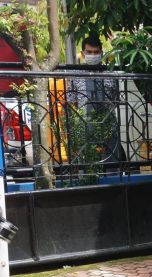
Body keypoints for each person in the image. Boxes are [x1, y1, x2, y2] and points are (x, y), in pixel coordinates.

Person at [66, 36, 123, 174]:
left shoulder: (110, 73)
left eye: (96, 52)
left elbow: (116, 97)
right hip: (85, 125)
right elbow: (72, 101)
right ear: (83, 53)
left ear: (101, 52)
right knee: (87, 164)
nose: (92, 55)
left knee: (111, 164)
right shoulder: (75, 74)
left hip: (109, 125)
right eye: (89, 52)